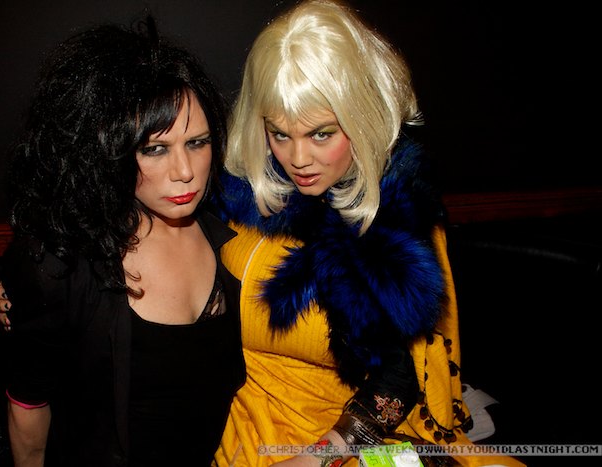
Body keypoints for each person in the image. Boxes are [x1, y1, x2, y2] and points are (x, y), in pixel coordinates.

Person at [206, 1, 523, 466]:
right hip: (244, 420)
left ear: (362, 118)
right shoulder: (233, 202)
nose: (298, 159)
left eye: (321, 134)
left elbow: (398, 381)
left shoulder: (394, 227)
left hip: (351, 434)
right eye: (280, 134)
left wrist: (316, 458)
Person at [0, 16, 245, 467]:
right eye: (155, 149)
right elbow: (28, 414)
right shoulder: (64, 266)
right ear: (107, 148)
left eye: (198, 143)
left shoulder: (229, 236)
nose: (185, 171)